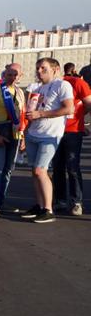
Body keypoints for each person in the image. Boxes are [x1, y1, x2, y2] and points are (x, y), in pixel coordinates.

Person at [21, 58, 75, 224]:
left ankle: (48, 209)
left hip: (50, 135)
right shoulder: (37, 88)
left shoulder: (62, 85)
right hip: (34, 133)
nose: (39, 71)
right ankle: (39, 205)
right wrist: (25, 129)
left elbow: (69, 108)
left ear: (55, 69)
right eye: (38, 68)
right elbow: (33, 111)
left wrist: (41, 114)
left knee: (40, 170)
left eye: (43, 68)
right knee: (34, 171)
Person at [0, 63, 27, 217]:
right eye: (9, 74)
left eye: (15, 74)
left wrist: (22, 137)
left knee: (8, 170)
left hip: (15, 133)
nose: (12, 77)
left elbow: (21, 116)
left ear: (20, 76)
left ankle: (0, 201)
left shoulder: (20, 92)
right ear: (4, 75)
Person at [51, 62, 91, 215]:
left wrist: (79, 118)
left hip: (73, 131)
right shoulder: (47, 86)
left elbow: (89, 103)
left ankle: (76, 202)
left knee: (73, 167)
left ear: (57, 70)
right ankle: (60, 201)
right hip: (53, 131)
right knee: (57, 168)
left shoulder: (77, 83)